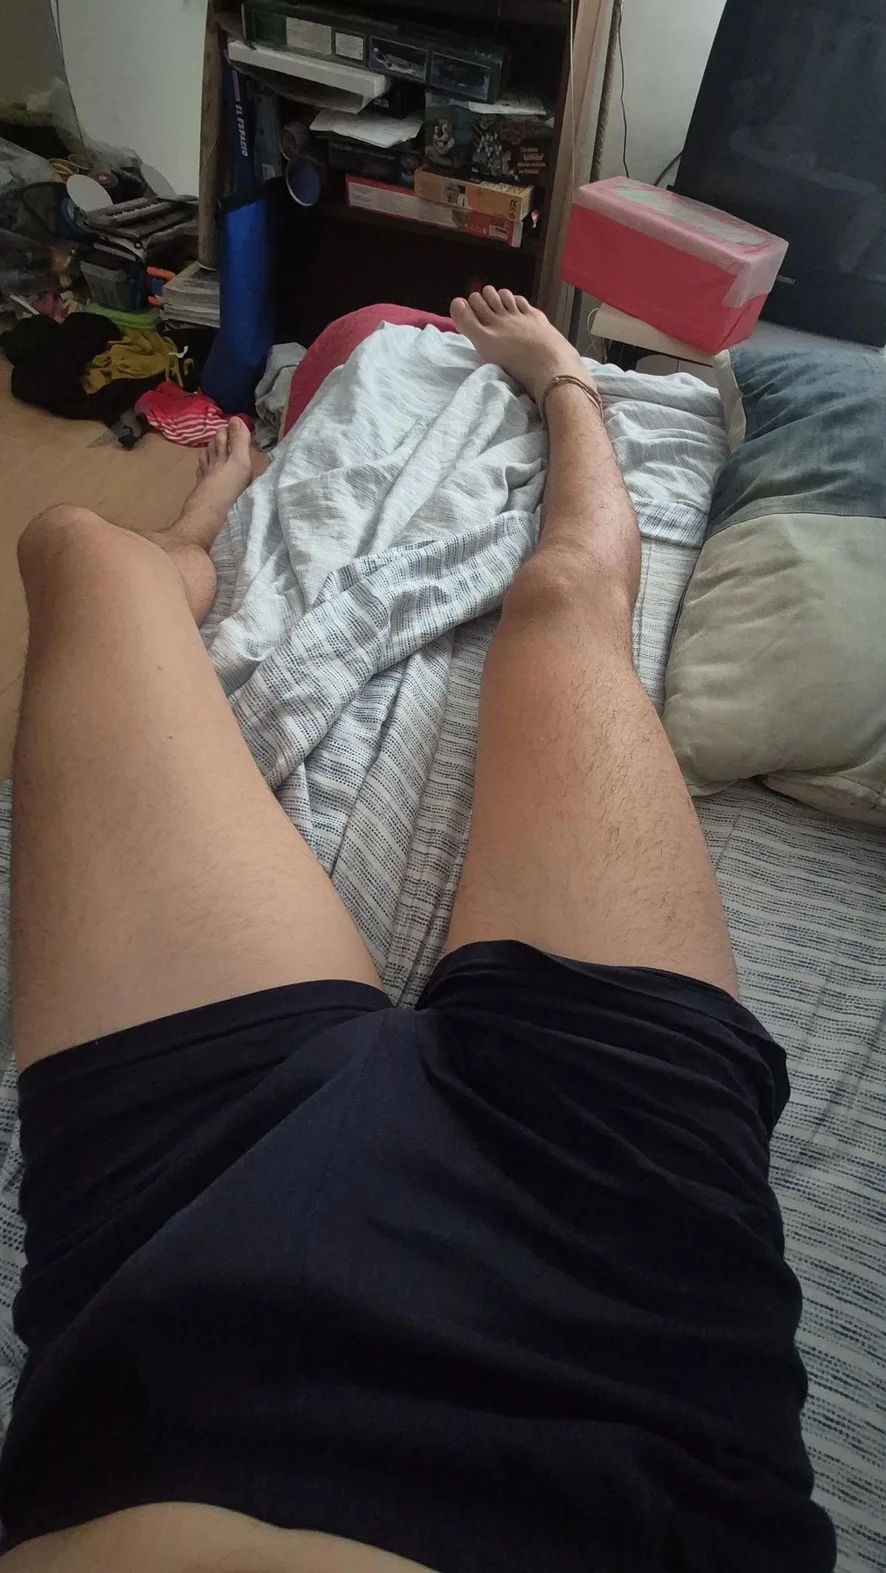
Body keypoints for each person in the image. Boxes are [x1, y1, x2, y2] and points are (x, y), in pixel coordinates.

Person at [0, 289, 834, 1572]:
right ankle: (558, 380)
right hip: (617, 1255)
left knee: (70, 544)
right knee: (565, 601)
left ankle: (504, 400)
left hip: (177, 1250)